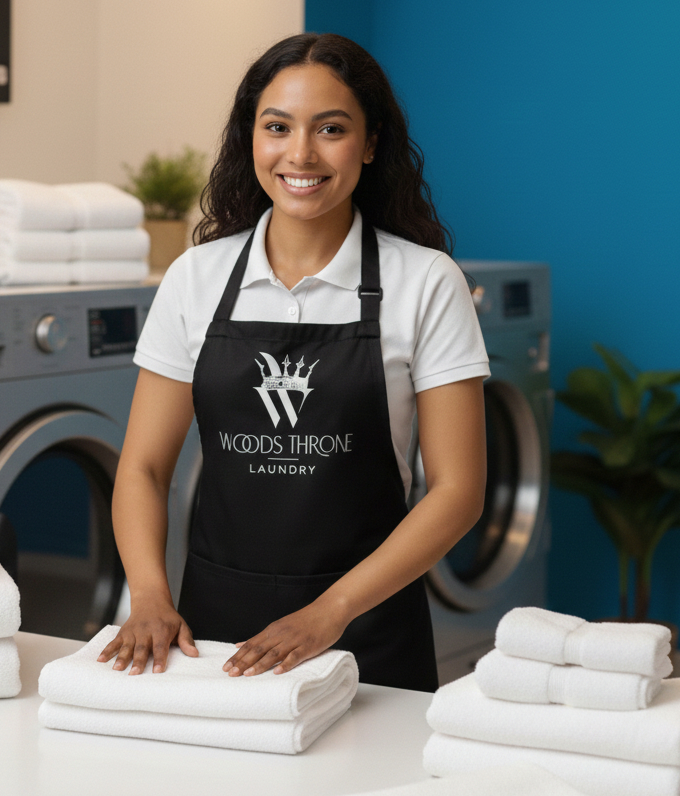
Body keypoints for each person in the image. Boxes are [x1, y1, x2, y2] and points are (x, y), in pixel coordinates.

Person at [97, 33, 489, 691]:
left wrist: (329, 611)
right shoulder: (196, 278)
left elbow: (458, 491)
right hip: (213, 636)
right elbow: (141, 466)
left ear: (369, 143)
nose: (300, 154)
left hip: (366, 632)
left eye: (330, 128)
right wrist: (148, 597)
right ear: (251, 138)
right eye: (277, 127)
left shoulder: (425, 281)